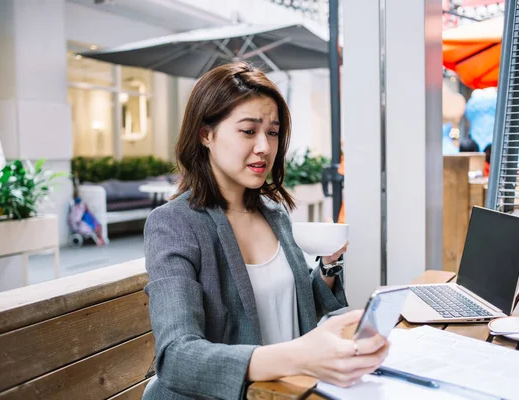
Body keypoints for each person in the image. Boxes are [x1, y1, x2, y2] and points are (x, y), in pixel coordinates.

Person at [142, 62, 389, 400]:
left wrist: (328, 266)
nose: (265, 147)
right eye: (248, 131)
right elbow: (176, 358)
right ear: (205, 134)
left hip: (289, 390)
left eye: (272, 132)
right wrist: (302, 355)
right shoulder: (174, 224)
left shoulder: (274, 213)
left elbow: (297, 305)